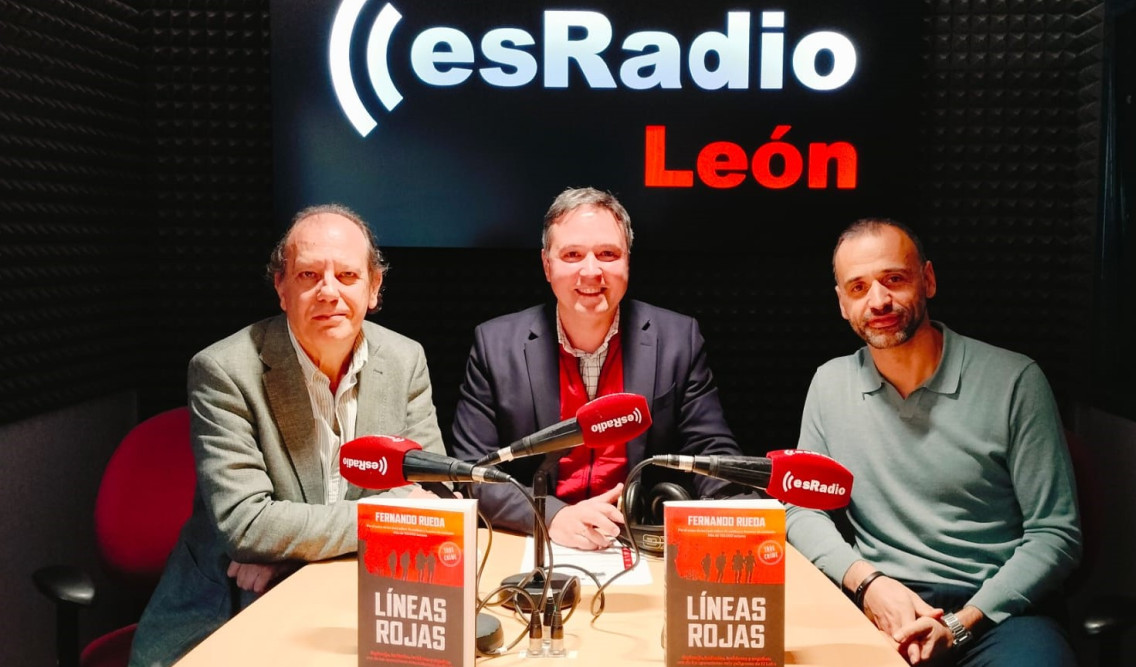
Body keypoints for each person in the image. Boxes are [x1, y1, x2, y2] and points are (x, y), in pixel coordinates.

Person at [130, 205, 446, 666]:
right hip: (227, 607)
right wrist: (386, 516)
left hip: (355, 595)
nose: (329, 292)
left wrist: (288, 549)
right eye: (308, 275)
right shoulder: (224, 371)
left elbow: (430, 492)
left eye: (348, 276)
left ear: (374, 288)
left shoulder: (404, 359)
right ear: (281, 287)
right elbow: (247, 526)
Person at [786, 218, 1082, 666]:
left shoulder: (1015, 380)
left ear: (927, 279)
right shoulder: (829, 384)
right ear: (842, 304)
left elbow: (1055, 534)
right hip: (881, 604)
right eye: (859, 287)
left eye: (894, 279)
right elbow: (800, 508)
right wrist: (868, 584)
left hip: (998, 613)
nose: (878, 300)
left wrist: (961, 624)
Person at [449, 186, 745, 551]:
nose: (591, 271)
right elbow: (471, 472)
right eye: (572, 254)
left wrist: (730, 511)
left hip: (641, 541)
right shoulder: (495, 345)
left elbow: (711, 451)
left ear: (627, 262)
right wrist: (552, 516)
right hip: (538, 539)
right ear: (546, 264)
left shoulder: (678, 339)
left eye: (608, 254)